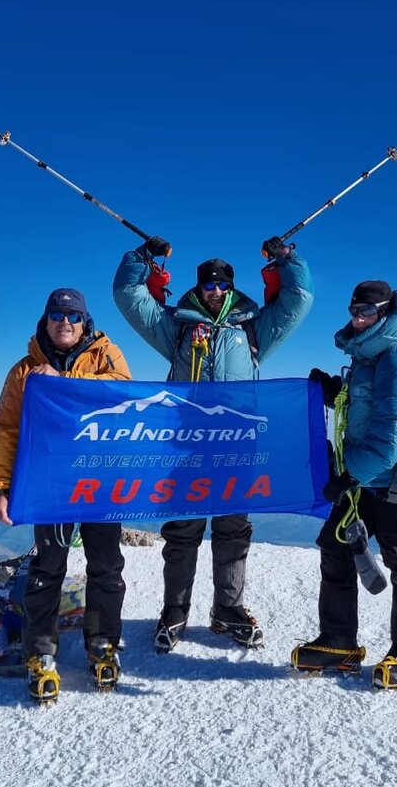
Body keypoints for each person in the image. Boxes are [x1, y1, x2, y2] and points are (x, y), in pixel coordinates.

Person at [113, 235, 313, 653]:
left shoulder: (254, 330)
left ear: (232, 288)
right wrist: (142, 258)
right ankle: (175, 611)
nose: (216, 291)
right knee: (183, 532)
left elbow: (298, 301)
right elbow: (130, 297)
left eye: (223, 285)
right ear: (198, 287)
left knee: (232, 531)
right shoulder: (179, 328)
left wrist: (287, 259)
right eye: (209, 284)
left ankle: (229, 610)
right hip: (186, 449)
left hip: (237, 448)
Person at [293, 279, 397, 689]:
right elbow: (367, 408)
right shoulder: (371, 357)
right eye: (355, 312)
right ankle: (340, 640)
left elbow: (394, 430)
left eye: (367, 313)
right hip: (362, 480)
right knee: (335, 547)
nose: (358, 319)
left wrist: (348, 475)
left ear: (386, 313)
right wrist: (334, 391)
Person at [0, 287, 132, 700]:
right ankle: (40, 651)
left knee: (106, 566)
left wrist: (63, 380)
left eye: (73, 316)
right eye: (57, 315)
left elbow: (122, 392)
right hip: (51, 483)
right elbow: (7, 431)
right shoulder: (23, 371)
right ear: (45, 320)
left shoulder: (108, 356)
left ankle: (103, 643)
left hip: (102, 480)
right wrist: (1, 487)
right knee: (48, 567)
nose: (64, 322)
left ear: (85, 321)